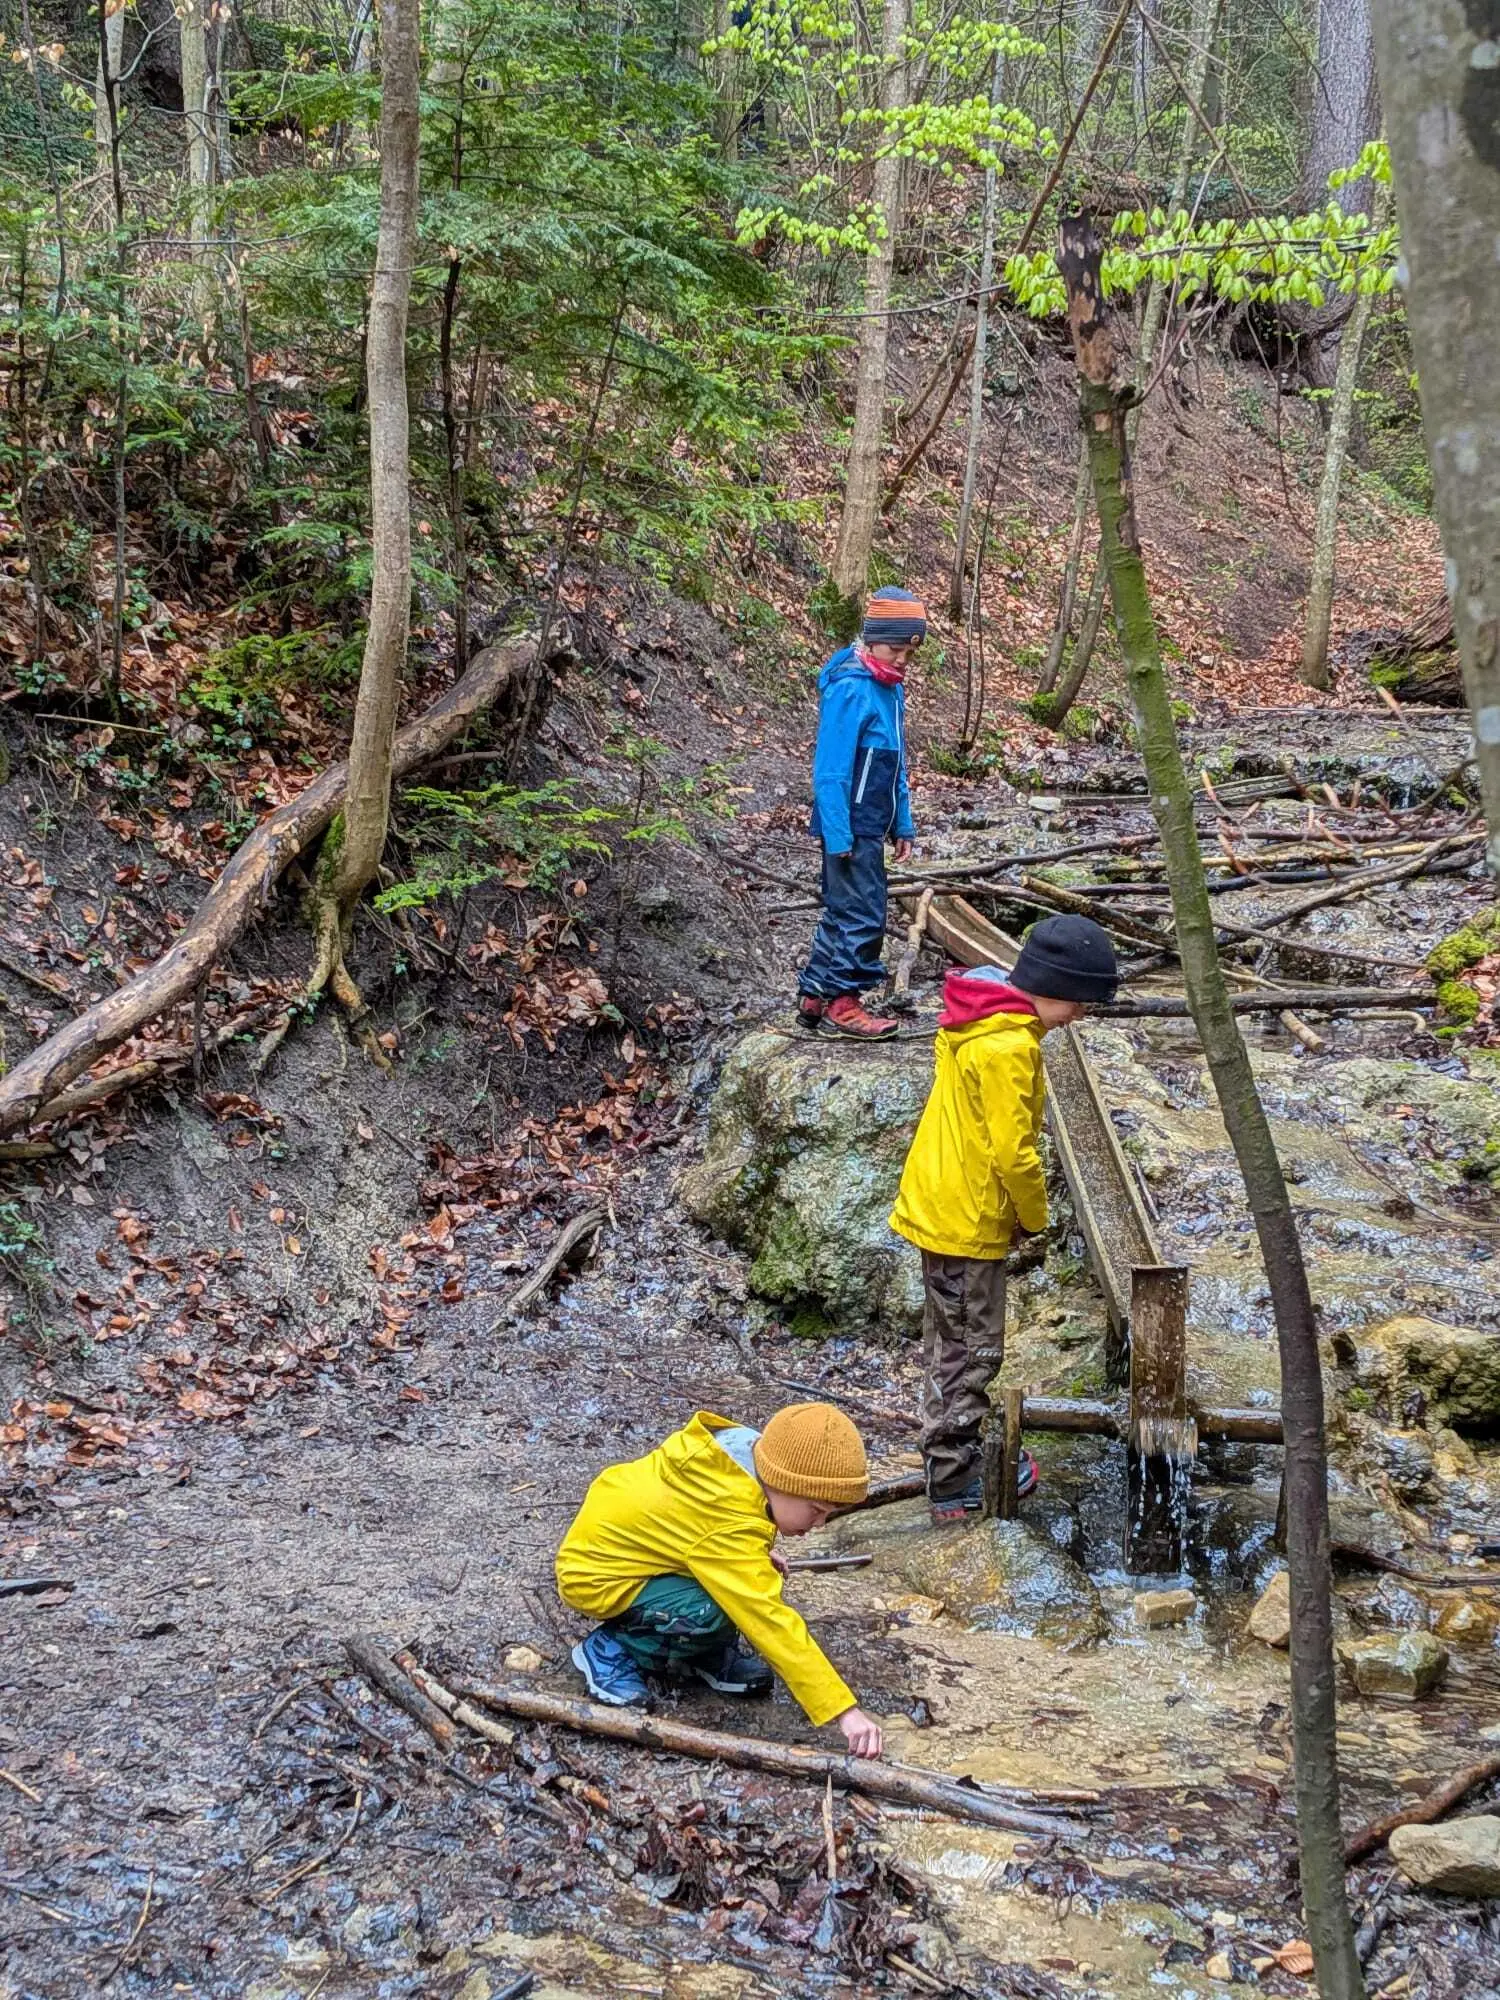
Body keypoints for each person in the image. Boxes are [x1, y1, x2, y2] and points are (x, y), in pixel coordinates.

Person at [889, 915, 1119, 1522]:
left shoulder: (981, 1017)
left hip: (942, 1202)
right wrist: (1035, 1216)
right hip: (967, 1218)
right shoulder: (1009, 1046)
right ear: (1055, 987)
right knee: (973, 1348)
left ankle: (947, 1455)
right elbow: (1013, 1151)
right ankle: (955, 1476)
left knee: (949, 1339)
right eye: (1078, 1004)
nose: (1080, 1017)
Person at [556, 1402, 884, 1757]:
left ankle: (702, 1653)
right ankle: (610, 1649)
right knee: (717, 1607)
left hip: (632, 1554)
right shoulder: (726, 1520)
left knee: (746, 1581)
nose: (819, 1524)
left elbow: (693, 1526)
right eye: (816, 1510)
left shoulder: (735, 1460)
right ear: (781, 1480)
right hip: (598, 1578)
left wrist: (756, 1553)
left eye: (829, 1514)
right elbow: (769, 1620)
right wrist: (842, 1710)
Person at [797, 587, 925, 1039]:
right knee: (864, 915)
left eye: (910, 652)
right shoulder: (851, 688)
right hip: (847, 824)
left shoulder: (889, 689)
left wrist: (902, 821)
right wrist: (838, 833)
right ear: (873, 641)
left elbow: (896, 762)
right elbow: (830, 771)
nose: (903, 660)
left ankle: (815, 994)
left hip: (871, 821)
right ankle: (843, 1004)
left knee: (841, 909)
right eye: (896, 650)